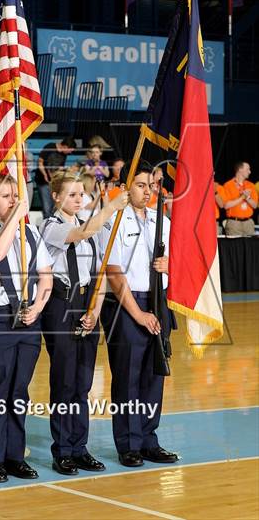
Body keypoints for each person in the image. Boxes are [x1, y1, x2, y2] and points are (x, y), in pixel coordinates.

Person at [39, 171, 129, 476]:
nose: (79, 200)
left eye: (82, 195)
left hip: (88, 303)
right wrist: (110, 208)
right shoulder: (51, 226)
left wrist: (96, 310)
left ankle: (80, 447)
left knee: (83, 381)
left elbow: (99, 271)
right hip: (60, 304)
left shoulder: (90, 225)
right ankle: (62, 450)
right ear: (55, 197)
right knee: (64, 380)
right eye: (72, 195)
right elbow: (79, 236)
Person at [0, 174, 53, 483]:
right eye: (6, 196)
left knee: (19, 390)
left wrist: (39, 308)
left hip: (27, 319)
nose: (14, 201)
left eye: (16, 196)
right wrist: (14, 218)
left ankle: (16, 456)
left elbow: (46, 276)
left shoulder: (29, 231)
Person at [100, 160, 178, 468]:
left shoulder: (163, 222)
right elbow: (115, 274)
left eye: (152, 186)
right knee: (128, 378)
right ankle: (128, 444)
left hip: (157, 301)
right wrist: (139, 315)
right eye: (141, 185)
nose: (147, 192)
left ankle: (149, 440)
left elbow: (176, 263)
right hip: (127, 304)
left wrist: (170, 264)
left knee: (153, 376)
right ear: (126, 186)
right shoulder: (114, 220)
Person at [34, 136, 77, 219]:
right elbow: (40, 162)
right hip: (43, 182)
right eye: (70, 150)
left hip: (54, 182)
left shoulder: (64, 155)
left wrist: (67, 169)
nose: (70, 152)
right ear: (65, 146)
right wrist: (45, 174)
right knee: (47, 208)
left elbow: (59, 169)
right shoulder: (50, 147)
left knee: (55, 207)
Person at [223, 161, 258, 236]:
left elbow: (255, 205)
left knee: (250, 246)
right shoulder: (228, 185)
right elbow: (226, 205)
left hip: (248, 223)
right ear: (240, 170)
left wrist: (247, 198)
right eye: (248, 169)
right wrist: (242, 197)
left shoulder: (251, 185)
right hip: (234, 224)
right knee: (235, 246)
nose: (250, 172)